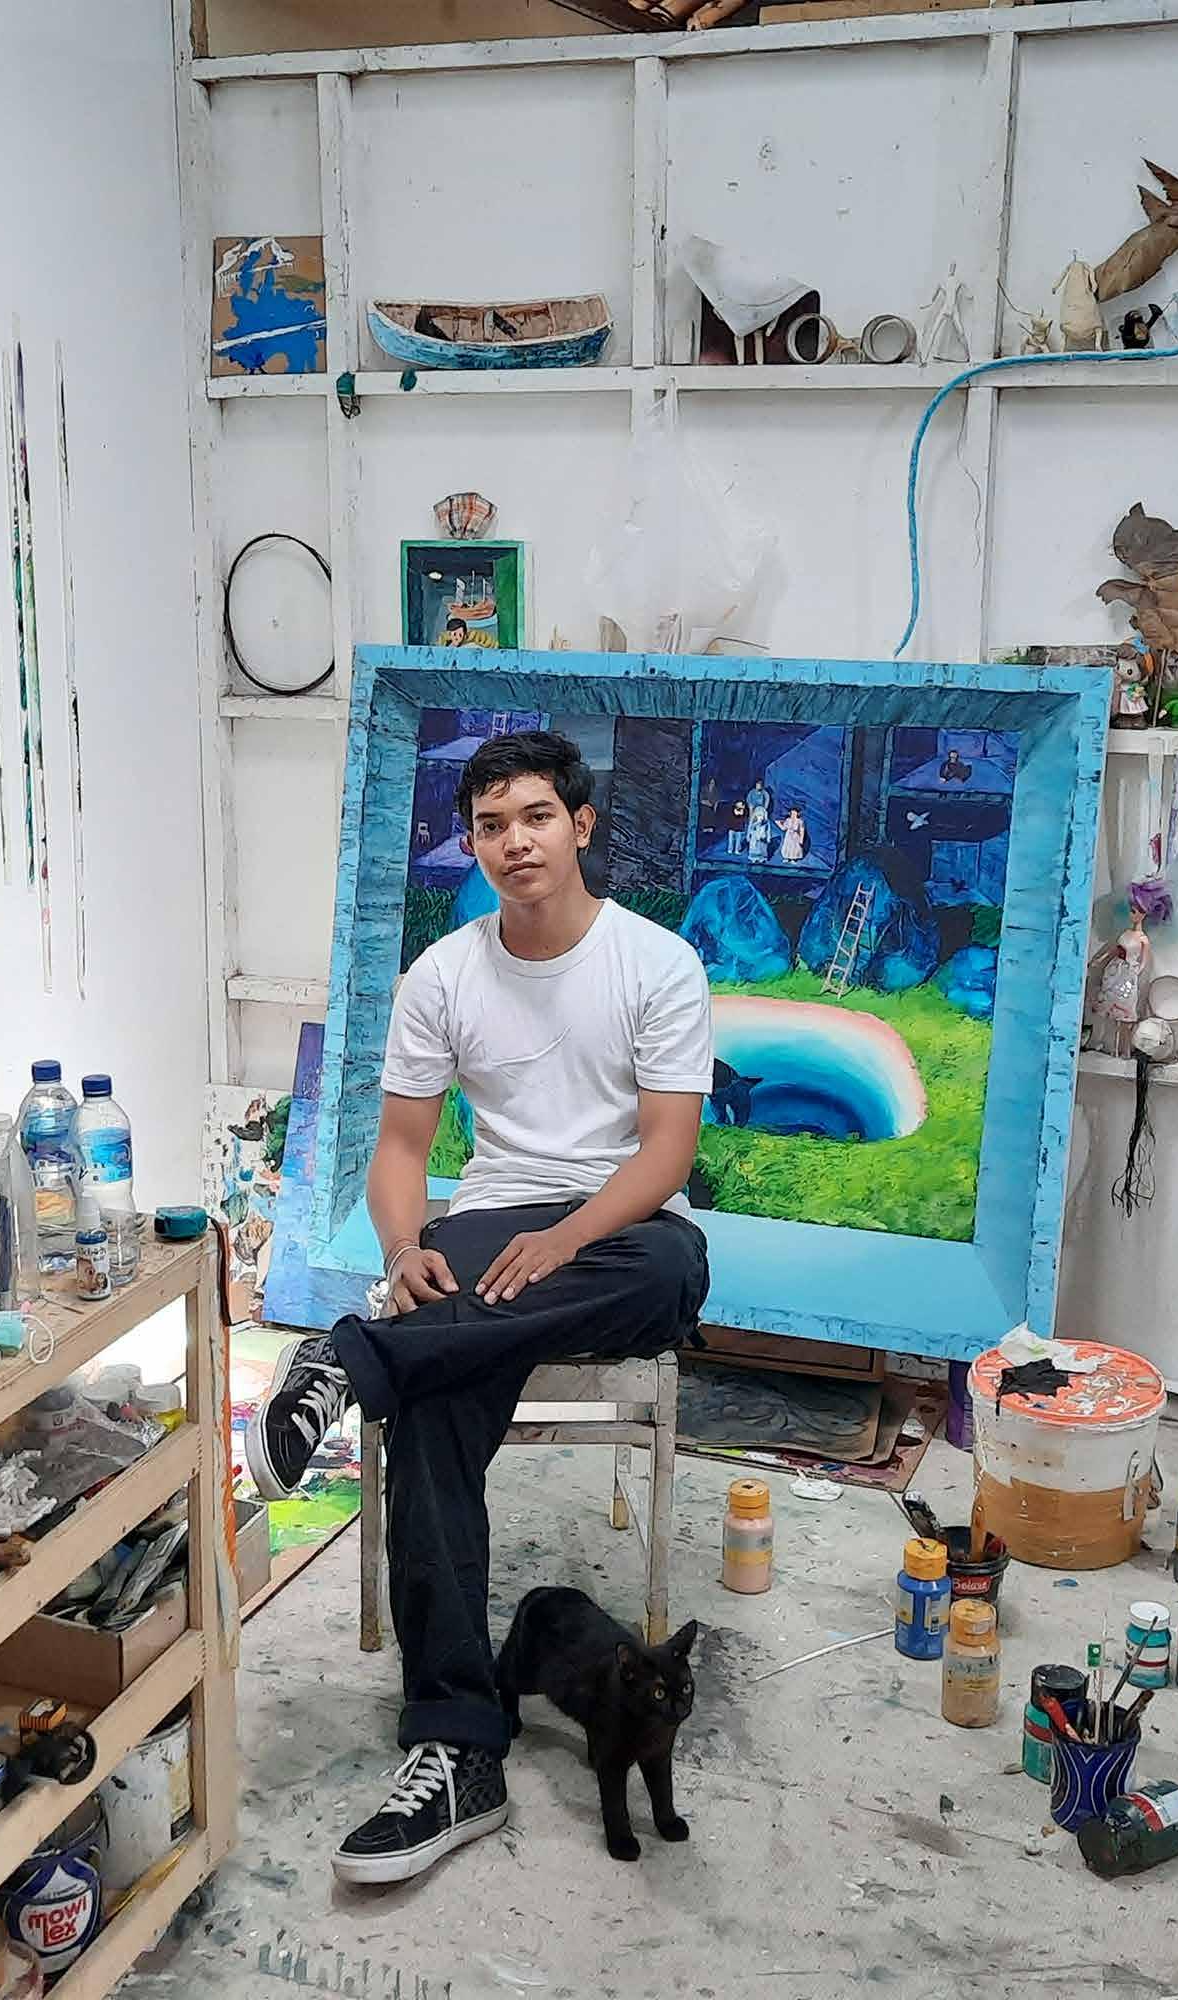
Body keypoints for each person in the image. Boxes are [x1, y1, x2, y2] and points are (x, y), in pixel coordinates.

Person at [246, 729, 714, 1886]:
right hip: (490, 1222)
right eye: (492, 825)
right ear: (474, 843)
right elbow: (402, 1150)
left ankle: (354, 1358)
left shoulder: (657, 963)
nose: (516, 841)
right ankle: (460, 1746)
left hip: (618, 1234)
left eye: (537, 816)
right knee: (438, 1398)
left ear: (581, 825)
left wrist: (570, 1235)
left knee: (672, 1269)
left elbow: (666, 1151)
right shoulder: (444, 974)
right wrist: (405, 1246)